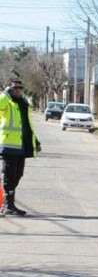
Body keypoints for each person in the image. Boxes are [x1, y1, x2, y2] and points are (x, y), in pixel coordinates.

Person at [0, 79, 40, 217]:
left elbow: (27, 125)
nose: (17, 90)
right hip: (9, 145)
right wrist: (6, 93)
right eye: (14, 88)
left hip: (22, 146)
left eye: (20, 87)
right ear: (9, 89)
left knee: (17, 175)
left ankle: (8, 203)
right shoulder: (7, 102)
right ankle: (7, 205)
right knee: (9, 176)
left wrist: (35, 141)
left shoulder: (23, 103)